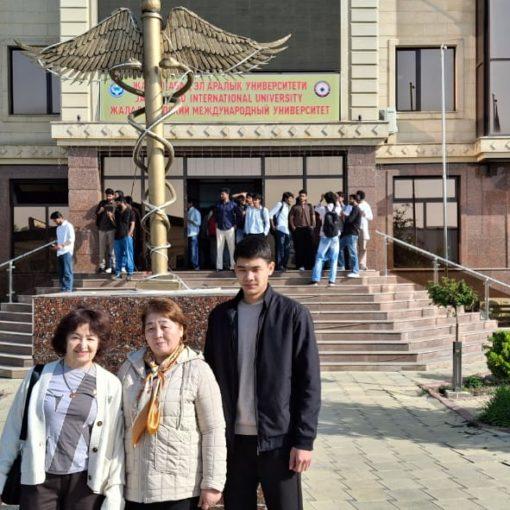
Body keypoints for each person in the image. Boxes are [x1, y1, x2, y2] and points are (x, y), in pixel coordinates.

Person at [204, 236, 321, 510]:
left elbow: (309, 383)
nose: (249, 277)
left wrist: (304, 441)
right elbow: (208, 377)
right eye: (242, 269)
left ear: (270, 267)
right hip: (233, 442)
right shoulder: (221, 317)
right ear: (235, 270)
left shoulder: (293, 315)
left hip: (279, 441)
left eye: (256, 269)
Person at [0, 308, 124, 509]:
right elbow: (13, 430)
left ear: (99, 342)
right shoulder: (38, 376)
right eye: (75, 337)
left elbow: (114, 443)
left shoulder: (110, 384)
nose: (83, 345)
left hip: (85, 483)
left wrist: (114, 493)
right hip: (39, 479)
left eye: (90, 338)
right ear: (64, 340)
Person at [118, 298, 226, 510]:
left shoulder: (197, 370)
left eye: (164, 326)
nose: (157, 334)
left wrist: (213, 483)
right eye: (150, 328)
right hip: (136, 488)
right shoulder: (129, 370)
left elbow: (213, 429)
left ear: (181, 329)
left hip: (180, 490)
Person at [310, 192, 342, 286]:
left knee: (319, 257)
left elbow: (315, 208)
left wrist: (321, 199)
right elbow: (339, 206)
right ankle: (331, 281)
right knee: (334, 259)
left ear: (326, 199)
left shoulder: (323, 209)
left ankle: (316, 280)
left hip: (324, 236)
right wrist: (337, 199)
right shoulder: (337, 209)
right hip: (335, 236)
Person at [289, 190, 316, 270]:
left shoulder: (309, 206)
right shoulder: (295, 207)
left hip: (308, 229)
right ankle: (300, 265)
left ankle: (309, 265)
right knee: (299, 248)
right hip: (299, 229)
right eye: (300, 196)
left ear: (306, 197)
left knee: (309, 248)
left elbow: (313, 216)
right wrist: (293, 227)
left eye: (303, 196)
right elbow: (291, 218)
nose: (301, 197)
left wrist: (313, 226)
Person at [214, 188, 240, 271]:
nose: (221, 195)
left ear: (227, 194)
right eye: (221, 194)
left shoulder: (233, 204)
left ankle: (233, 266)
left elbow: (239, 215)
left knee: (231, 248)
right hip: (219, 228)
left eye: (223, 194)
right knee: (219, 248)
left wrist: (236, 224)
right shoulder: (218, 204)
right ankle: (219, 267)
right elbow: (215, 215)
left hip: (230, 228)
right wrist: (216, 223)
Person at [50, 211, 75, 292]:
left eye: (55, 220)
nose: (55, 222)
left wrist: (62, 245)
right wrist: (56, 246)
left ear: (60, 217)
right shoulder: (58, 228)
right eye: (54, 221)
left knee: (67, 272)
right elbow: (60, 240)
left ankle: (68, 289)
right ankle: (63, 288)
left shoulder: (68, 226)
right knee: (61, 273)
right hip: (59, 252)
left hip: (67, 251)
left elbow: (71, 239)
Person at [270, 192, 294, 272]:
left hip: (286, 231)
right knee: (280, 249)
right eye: (290, 198)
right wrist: (273, 226)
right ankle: (279, 266)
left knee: (287, 249)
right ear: (286, 198)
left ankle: (284, 265)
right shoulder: (280, 204)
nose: (291, 200)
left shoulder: (287, 207)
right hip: (280, 230)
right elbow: (270, 214)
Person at [339, 194, 362, 278]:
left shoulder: (356, 209)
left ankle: (355, 271)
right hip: (347, 233)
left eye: (350, 199)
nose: (349, 201)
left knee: (352, 252)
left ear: (354, 200)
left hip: (352, 233)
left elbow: (350, 220)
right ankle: (341, 266)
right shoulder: (352, 208)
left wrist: (344, 216)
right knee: (338, 248)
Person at [95, 188, 116, 274]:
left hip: (111, 228)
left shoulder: (115, 204)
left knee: (112, 249)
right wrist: (101, 210)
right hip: (102, 229)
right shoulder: (102, 203)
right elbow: (97, 213)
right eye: (107, 196)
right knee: (102, 249)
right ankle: (101, 266)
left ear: (113, 195)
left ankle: (114, 266)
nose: (108, 197)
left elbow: (118, 217)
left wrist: (112, 215)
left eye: (110, 196)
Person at [114, 197, 134, 280]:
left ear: (122, 202)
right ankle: (118, 273)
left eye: (117, 202)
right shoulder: (117, 211)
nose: (116, 204)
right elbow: (115, 223)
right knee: (118, 255)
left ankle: (130, 273)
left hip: (126, 236)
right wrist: (111, 217)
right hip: (117, 236)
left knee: (128, 254)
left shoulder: (130, 211)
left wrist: (129, 234)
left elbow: (132, 223)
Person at [356, 190, 374, 271]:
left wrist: (364, 214)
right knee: (354, 247)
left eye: (357, 195)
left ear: (361, 196)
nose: (356, 197)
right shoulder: (355, 204)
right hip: (354, 228)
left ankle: (362, 264)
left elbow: (371, 217)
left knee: (363, 247)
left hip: (362, 229)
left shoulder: (366, 205)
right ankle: (355, 264)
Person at [187, 199, 201, 270]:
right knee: (190, 250)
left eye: (187, 203)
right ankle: (192, 265)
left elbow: (199, 223)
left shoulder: (195, 211)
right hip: (188, 233)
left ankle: (196, 265)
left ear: (191, 203)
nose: (186, 205)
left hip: (193, 233)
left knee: (194, 250)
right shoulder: (187, 211)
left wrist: (191, 221)